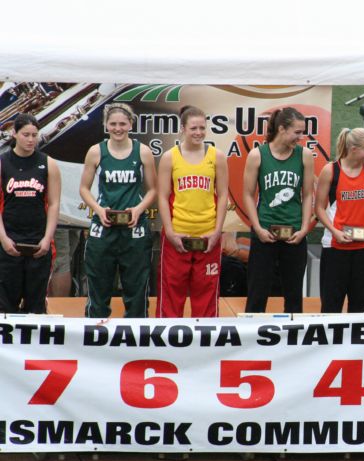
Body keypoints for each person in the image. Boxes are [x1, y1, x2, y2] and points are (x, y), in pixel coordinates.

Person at [79, 103, 156, 318]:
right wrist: (98, 209)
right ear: (105, 125)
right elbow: (84, 188)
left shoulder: (143, 152)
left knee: (137, 286)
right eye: (113, 124)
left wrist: (139, 209)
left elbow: (153, 190)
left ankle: (136, 337)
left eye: (122, 123)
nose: (118, 128)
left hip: (134, 228)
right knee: (98, 284)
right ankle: (96, 334)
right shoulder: (96, 151)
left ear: (131, 124)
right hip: (104, 226)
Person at [156, 105, 229, 318]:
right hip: (177, 234)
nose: (198, 133)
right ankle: (167, 340)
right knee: (171, 292)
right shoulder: (170, 157)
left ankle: (204, 340)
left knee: (206, 293)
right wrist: (169, 231)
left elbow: (223, 195)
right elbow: (162, 195)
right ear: (183, 129)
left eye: (202, 128)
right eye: (193, 128)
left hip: (208, 236)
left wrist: (217, 232)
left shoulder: (217, 156)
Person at [241, 107, 315, 313]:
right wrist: (257, 228)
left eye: (303, 132)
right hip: (265, 231)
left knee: (293, 295)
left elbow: (308, 194)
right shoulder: (257, 155)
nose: (301, 137)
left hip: (294, 233)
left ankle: (292, 342)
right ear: (282, 129)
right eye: (297, 132)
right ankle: (251, 341)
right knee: (257, 292)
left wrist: (304, 229)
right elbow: (247, 194)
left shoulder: (305, 155)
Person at [315, 128, 364, 313]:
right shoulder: (331, 171)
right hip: (335, 246)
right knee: (331, 303)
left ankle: (357, 342)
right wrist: (335, 231)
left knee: (362, 304)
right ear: (354, 149)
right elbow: (318, 208)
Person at [0, 113, 61, 313]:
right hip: (9, 239)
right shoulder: (3, 162)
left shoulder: (48, 163)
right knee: (6, 302)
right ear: (14, 134)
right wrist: (3, 239)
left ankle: (34, 344)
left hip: (38, 241)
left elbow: (53, 204)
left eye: (34, 135)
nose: (31, 139)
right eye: (26, 134)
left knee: (35, 304)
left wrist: (47, 238)